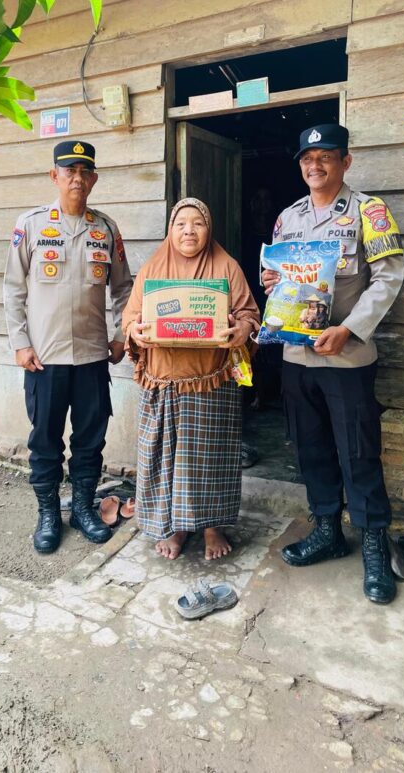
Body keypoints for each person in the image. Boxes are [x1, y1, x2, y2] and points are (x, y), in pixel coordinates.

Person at [262, 124, 404, 604]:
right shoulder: (288, 218)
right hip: (296, 356)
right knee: (312, 450)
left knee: (358, 454)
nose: (315, 165)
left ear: (346, 160)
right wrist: (272, 280)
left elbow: (387, 278)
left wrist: (351, 328)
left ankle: (372, 546)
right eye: (307, 158)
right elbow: (284, 282)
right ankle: (327, 531)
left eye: (325, 157)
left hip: (346, 357)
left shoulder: (369, 211)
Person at [3, 140, 133, 554]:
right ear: (54, 176)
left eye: (85, 171)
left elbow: (124, 289)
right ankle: (47, 514)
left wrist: (120, 336)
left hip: (93, 356)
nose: (77, 178)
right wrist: (20, 343)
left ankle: (81, 508)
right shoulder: (32, 225)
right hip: (44, 358)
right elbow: (12, 289)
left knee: (90, 440)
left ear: (93, 178)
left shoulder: (106, 229)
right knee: (45, 441)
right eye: (69, 170)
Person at [123, 198, 260, 561]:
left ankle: (213, 527)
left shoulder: (226, 266)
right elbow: (130, 317)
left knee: (211, 458)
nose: (188, 231)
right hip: (163, 380)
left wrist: (241, 329)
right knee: (167, 460)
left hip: (210, 381)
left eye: (197, 223)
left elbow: (250, 314)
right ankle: (177, 527)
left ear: (208, 229)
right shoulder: (154, 267)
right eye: (181, 223)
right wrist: (135, 330)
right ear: (170, 229)